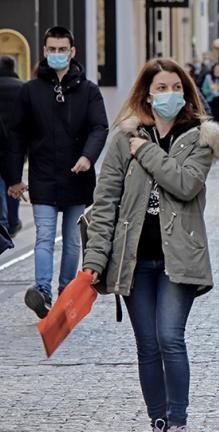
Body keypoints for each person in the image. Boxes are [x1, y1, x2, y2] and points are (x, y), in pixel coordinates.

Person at [83, 58, 219, 432]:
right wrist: (95, 258)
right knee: (147, 344)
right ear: (147, 94)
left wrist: (143, 151)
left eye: (176, 88)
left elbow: (184, 183)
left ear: (187, 92)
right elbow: (105, 201)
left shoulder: (201, 137)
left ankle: (178, 420)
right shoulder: (121, 139)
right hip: (133, 257)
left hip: (178, 257)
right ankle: (158, 419)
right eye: (162, 88)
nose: (170, 94)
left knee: (169, 338)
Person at [6, 26, 108, 319]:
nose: (57, 54)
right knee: (44, 237)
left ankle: (66, 294)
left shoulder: (88, 90)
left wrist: (88, 157)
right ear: (44, 51)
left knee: (73, 240)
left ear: (72, 52)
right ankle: (42, 292)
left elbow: (99, 127)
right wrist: (15, 177)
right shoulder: (31, 91)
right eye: (52, 49)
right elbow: (17, 135)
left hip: (77, 176)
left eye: (62, 49)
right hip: (44, 176)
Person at [0, 56, 23, 236]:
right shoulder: (22, 87)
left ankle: (3, 221)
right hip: (16, 146)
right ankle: (13, 222)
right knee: (13, 181)